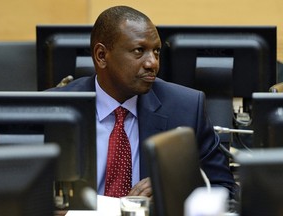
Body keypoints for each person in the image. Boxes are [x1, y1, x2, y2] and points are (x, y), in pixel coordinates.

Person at [50, 5, 239, 200]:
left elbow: (222, 188)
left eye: (156, 52)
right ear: (101, 56)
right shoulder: (55, 110)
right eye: (139, 51)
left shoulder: (187, 108)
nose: (153, 63)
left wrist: (174, 192)